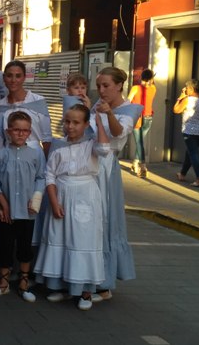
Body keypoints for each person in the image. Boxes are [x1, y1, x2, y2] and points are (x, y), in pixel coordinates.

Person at [35, 104, 110, 311]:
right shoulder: (59, 145)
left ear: (86, 124)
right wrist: (53, 201)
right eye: (67, 121)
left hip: (85, 195)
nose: (70, 126)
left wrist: (100, 123)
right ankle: (62, 285)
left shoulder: (92, 144)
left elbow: (105, 149)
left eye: (76, 122)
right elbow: (49, 174)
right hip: (61, 194)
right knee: (60, 237)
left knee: (82, 239)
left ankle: (85, 290)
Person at [90, 67, 142, 301]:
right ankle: (86, 277)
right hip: (88, 164)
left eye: (106, 86)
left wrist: (109, 113)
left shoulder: (131, 109)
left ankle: (104, 282)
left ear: (119, 85)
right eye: (99, 86)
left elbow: (118, 133)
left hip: (106, 166)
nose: (101, 90)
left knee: (105, 221)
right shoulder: (97, 104)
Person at [0, 112, 44, 303]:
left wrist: (36, 198)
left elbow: (41, 177)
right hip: (7, 211)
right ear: (8, 131)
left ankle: (23, 283)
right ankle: (3, 283)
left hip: (27, 212)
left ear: (30, 132)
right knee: (5, 246)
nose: (20, 134)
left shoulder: (36, 154)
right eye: (16, 130)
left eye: (25, 130)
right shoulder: (2, 154)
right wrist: (3, 204)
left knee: (25, 247)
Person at [0, 60, 53, 157]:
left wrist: (47, 162)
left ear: (24, 78)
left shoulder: (38, 101)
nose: (13, 80)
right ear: (4, 78)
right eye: (9, 76)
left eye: (18, 76)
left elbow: (47, 138)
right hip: (9, 156)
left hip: (34, 156)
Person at [126, 69, 156, 178]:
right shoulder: (153, 88)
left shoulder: (135, 88)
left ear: (141, 77)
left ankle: (143, 166)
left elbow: (128, 101)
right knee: (140, 142)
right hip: (148, 117)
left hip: (137, 117)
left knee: (139, 143)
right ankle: (135, 163)